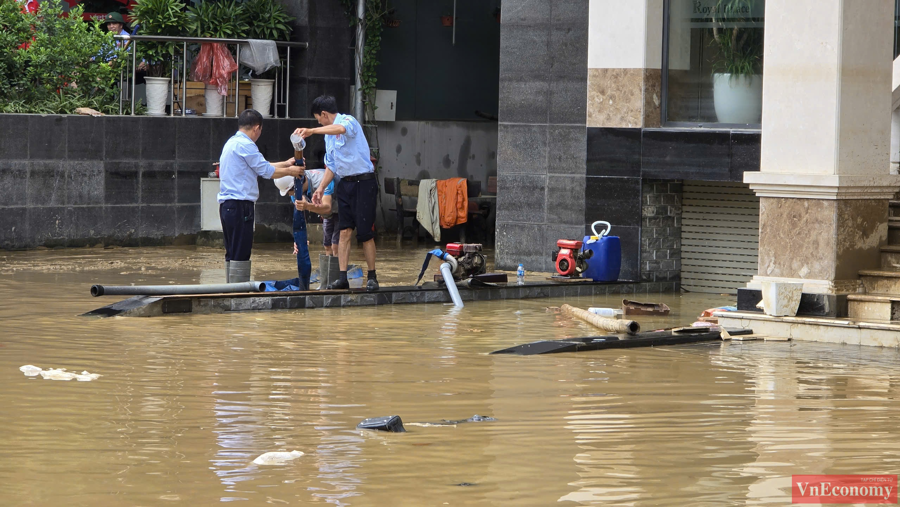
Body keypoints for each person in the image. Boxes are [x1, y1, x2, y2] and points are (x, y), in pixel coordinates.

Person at [293, 95, 378, 291]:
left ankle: (372, 276)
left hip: (363, 183)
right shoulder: (327, 136)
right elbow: (331, 165)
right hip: (345, 184)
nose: (318, 122)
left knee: (365, 234)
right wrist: (321, 188)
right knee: (344, 231)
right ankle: (342, 277)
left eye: (318, 119)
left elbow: (340, 129)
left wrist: (312, 131)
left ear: (324, 114)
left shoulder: (348, 121)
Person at [218, 109, 303, 282]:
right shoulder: (246, 145)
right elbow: (265, 171)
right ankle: (238, 294)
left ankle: (230, 289)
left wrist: (286, 164)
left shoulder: (232, 142)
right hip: (240, 205)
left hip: (227, 206)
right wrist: (292, 171)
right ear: (257, 128)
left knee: (232, 252)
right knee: (241, 252)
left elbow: (259, 165)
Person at [273, 168, 336, 290]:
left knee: (336, 245)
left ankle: (337, 284)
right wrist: (300, 239)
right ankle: (327, 285)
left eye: (290, 190)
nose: (290, 194)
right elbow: (301, 219)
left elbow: (327, 207)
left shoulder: (321, 179)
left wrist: (308, 206)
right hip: (327, 215)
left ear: (299, 183)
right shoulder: (295, 193)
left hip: (341, 206)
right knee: (328, 245)